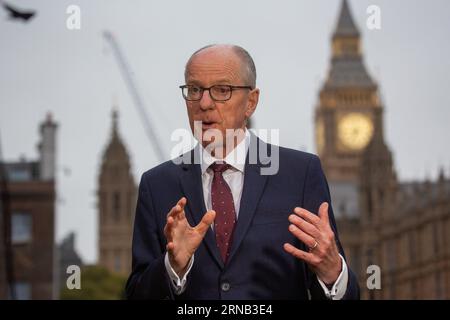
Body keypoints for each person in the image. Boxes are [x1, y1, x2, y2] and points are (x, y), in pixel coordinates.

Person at [125, 44, 360, 300]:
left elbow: (348, 296)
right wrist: (172, 268)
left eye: (221, 90)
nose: (204, 103)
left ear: (251, 102)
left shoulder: (301, 174)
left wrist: (332, 272)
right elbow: (137, 294)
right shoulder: (156, 185)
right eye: (194, 90)